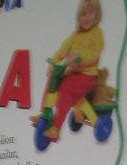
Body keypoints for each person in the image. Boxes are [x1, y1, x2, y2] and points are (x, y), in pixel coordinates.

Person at [38, 0, 104, 141]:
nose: (87, 17)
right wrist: (53, 62)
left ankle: (56, 128)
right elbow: (63, 49)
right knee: (52, 82)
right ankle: (44, 114)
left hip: (87, 76)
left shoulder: (97, 33)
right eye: (83, 14)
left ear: (97, 14)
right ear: (78, 17)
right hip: (73, 72)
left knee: (65, 90)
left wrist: (79, 57)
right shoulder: (75, 34)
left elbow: (94, 54)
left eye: (91, 13)